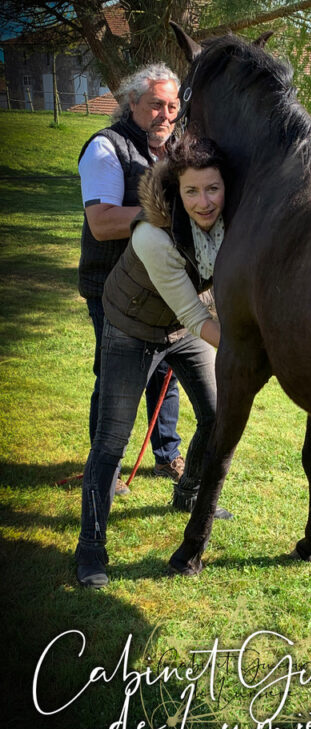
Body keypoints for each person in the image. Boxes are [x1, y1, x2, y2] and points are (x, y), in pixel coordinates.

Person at [75, 135, 232, 589]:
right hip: (132, 327)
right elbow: (196, 314)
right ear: (175, 194)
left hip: (182, 331)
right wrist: (261, 352)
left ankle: (188, 493)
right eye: (192, 192)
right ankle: (90, 548)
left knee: (218, 415)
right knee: (111, 441)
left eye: (213, 189)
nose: (205, 202)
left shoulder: (230, 220)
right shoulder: (151, 233)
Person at [78, 64, 184, 493]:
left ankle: (167, 455)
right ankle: (108, 466)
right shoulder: (106, 147)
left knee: (168, 375)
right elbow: (102, 222)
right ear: (132, 103)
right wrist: (164, 215)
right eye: (156, 104)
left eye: (173, 106)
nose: (165, 115)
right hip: (111, 286)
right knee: (116, 377)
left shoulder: (179, 149)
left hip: (165, 286)